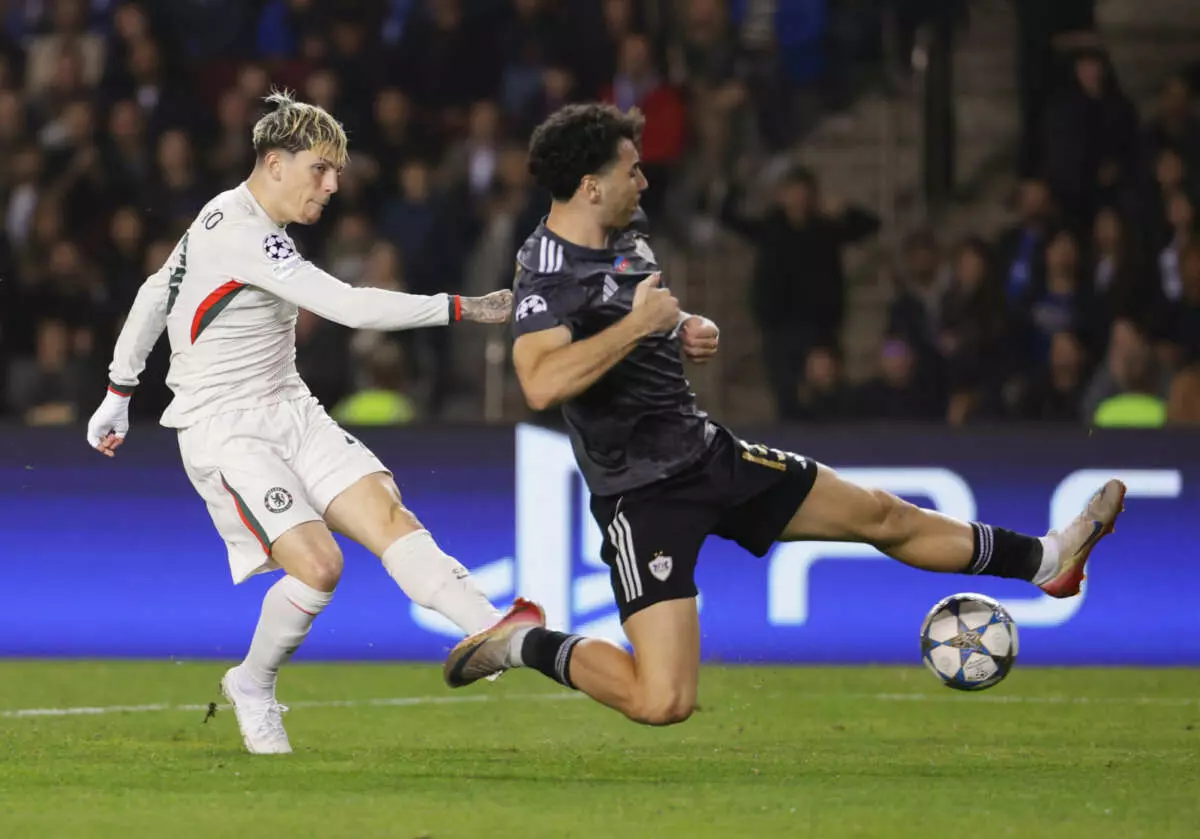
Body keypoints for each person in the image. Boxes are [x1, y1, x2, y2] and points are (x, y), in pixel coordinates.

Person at [441, 103, 1126, 726]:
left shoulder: (629, 231)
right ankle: (522, 640)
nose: (644, 182)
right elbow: (540, 382)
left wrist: (681, 326)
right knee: (663, 700)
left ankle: (1046, 560)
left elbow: (643, 312)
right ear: (590, 186)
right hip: (641, 494)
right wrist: (641, 324)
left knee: (883, 514)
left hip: (709, 453)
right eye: (632, 170)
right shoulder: (546, 271)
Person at [84, 91, 534, 754]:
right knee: (319, 566)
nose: (331, 185)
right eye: (319, 169)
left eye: (336, 173)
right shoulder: (241, 232)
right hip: (225, 426)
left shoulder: (228, 217)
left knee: (389, 516)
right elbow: (349, 306)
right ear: (273, 163)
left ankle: (495, 632)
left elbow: (157, 292)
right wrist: (468, 308)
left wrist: (120, 388)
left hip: (290, 406)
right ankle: (253, 683)